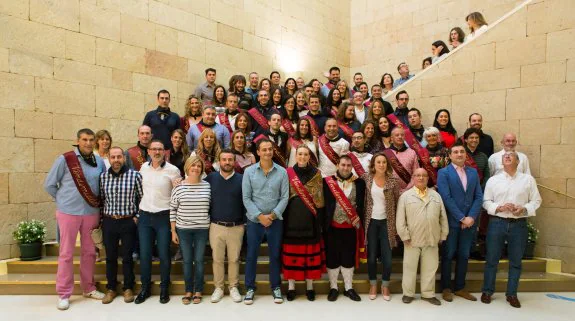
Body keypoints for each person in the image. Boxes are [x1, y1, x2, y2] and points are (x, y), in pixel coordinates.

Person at [44, 128, 107, 310]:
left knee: (89, 252)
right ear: (78, 141)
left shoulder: (99, 162)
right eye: (84, 139)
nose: (88, 143)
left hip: (91, 212)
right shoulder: (65, 159)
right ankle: (64, 293)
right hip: (68, 213)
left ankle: (88, 287)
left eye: (90, 139)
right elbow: (49, 184)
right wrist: (63, 201)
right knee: (66, 253)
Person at [481, 151, 542, 308]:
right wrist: (499, 207)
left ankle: (512, 294)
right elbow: (486, 201)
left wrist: (524, 208)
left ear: (518, 161)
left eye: (511, 156)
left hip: (519, 224)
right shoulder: (493, 180)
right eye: (505, 156)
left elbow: (536, 200)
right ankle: (487, 291)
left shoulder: (528, 180)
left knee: (516, 261)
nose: (507, 157)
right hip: (497, 223)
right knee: (492, 260)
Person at [242, 139, 289, 305]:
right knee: (251, 255)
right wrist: (259, 216)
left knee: (275, 255)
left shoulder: (282, 172)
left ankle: (275, 287)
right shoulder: (249, 172)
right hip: (254, 221)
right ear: (258, 152)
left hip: (275, 221)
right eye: (264, 150)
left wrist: (273, 215)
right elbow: (246, 198)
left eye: (270, 149)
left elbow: (284, 197)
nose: (268, 152)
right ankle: (250, 288)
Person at [135, 139, 181, 305]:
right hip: (145, 216)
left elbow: (178, 193)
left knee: (163, 254)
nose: (157, 152)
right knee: (145, 254)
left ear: (164, 152)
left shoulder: (173, 170)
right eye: (153, 149)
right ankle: (145, 288)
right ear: (148, 151)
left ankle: (164, 288)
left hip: (164, 216)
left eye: (160, 149)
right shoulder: (142, 168)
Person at [437, 143, 483, 303]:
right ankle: (446, 288)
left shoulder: (473, 173)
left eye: (462, 151)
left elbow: (478, 196)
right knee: (448, 255)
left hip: (469, 223)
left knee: (464, 255)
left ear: (466, 155)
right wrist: (461, 218)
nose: (459, 154)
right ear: (449, 156)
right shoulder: (443, 173)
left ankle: (460, 287)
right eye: (455, 152)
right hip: (451, 222)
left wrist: (470, 217)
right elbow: (446, 197)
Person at [396, 168, 448, 305]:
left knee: (430, 268)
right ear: (413, 178)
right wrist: (404, 235)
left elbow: (443, 217)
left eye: (424, 175)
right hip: (412, 240)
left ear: (427, 178)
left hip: (432, 238)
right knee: (409, 268)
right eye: (418, 175)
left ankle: (428, 294)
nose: (421, 178)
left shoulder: (436, 196)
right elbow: (400, 219)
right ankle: (408, 293)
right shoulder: (405, 196)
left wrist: (443, 234)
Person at [99, 146, 143, 304]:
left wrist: (137, 216)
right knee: (110, 257)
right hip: (110, 221)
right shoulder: (103, 177)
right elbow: (102, 199)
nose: (116, 160)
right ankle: (111, 288)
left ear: (124, 158)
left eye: (119, 157)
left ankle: (128, 288)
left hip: (128, 221)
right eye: (113, 157)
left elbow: (142, 197)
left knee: (127, 257)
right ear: (109, 159)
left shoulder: (135, 176)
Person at [283, 145, 325, 301]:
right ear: (296, 155)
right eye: (299, 154)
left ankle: (310, 287)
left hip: (311, 220)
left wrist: (320, 221)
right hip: (291, 218)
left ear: (309, 157)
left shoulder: (317, 174)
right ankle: (291, 287)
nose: (302, 157)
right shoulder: (287, 173)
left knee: (309, 255)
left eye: (305, 154)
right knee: (291, 254)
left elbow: (320, 201)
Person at [204, 150, 246, 303]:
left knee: (234, 259)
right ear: (219, 161)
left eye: (230, 159)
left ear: (234, 161)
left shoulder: (242, 179)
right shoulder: (211, 178)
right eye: (224, 159)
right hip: (216, 225)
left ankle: (233, 286)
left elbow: (246, 201)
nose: (227, 162)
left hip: (237, 226)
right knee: (217, 259)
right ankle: (219, 288)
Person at [323, 155, 366, 302]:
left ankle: (349, 288)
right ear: (337, 165)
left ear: (352, 166)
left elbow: (362, 205)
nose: (346, 168)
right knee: (332, 257)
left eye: (348, 165)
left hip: (351, 227)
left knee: (348, 257)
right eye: (343, 165)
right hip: (332, 227)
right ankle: (333, 287)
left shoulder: (360, 183)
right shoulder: (327, 182)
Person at [170, 156, 210, 305]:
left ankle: (198, 290)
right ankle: (188, 290)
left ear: (202, 169)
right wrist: (173, 231)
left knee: (199, 261)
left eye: (199, 166)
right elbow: (172, 209)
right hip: (183, 229)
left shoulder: (207, 186)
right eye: (193, 166)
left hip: (201, 229)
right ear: (187, 168)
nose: (196, 168)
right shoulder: (178, 187)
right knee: (187, 261)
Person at [361, 152, 399, 300]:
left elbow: (397, 200)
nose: (381, 165)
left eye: (384, 162)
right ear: (373, 165)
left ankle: (385, 285)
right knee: (371, 257)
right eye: (378, 162)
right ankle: (373, 284)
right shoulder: (366, 178)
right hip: (371, 222)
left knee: (387, 258)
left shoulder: (393, 181)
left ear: (387, 165)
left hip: (387, 223)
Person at [384, 127, 419, 192]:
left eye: (402, 135)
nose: (400, 137)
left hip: (409, 192)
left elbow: (416, 173)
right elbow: (382, 174)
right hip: (390, 191)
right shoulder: (385, 153)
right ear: (391, 138)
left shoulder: (412, 152)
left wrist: (406, 190)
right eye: (397, 135)